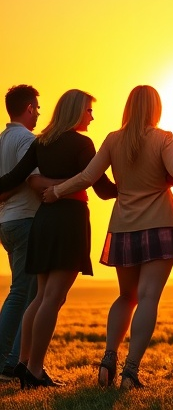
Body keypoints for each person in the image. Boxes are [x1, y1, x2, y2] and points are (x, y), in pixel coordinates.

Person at [44, 85, 173, 389]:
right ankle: (130, 371)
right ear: (155, 108)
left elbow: (86, 178)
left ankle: (109, 358)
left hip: (123, 226)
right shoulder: (163, 138)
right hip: (159, 225)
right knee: (148, 297)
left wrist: (55, 191)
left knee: (126, 296)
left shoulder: (112, 139)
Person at [0, 89, 118, 388]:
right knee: (53, 298)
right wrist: (137, 187)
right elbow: (102, 188)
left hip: (43, 222)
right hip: (69, 220)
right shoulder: (82, 143)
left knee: (40, 297)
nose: (92, 116)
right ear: (77, 111)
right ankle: (36, 369)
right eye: (89, 110)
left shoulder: (42, 142)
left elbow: (13, 178)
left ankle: (26, 364)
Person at [0, 85, 42, 381]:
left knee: (29, 293)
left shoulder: (1, 139)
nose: (39, 113)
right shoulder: (27, 140)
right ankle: (6, 362)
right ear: (29, 107)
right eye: (37, 108)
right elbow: (32, 180)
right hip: (25, 219)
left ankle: (15, 362)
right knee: (21, 293)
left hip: (6, 223)